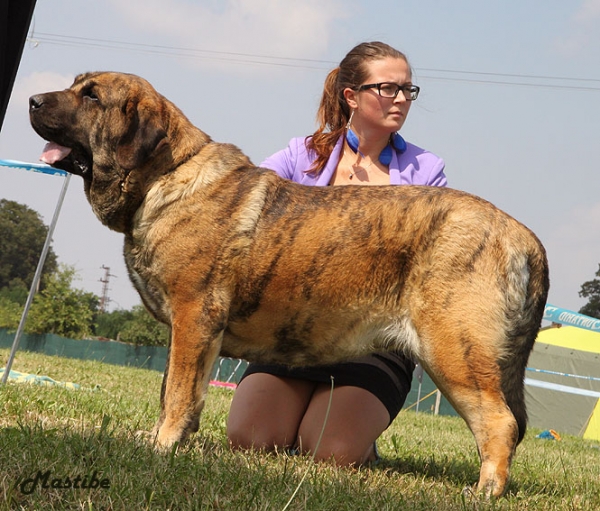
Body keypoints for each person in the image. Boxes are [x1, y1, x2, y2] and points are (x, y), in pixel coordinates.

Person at [226, 41, 447, 466]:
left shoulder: (427, 171)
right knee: (250, 439)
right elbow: (244, 204)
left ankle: (354, 435)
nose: (402, 98)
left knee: (331, 453)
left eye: (408, 89)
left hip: (373, 339)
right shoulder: (299, 154)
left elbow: (429, 263)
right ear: (351, 96)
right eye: (388, 88)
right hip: (293, 332)